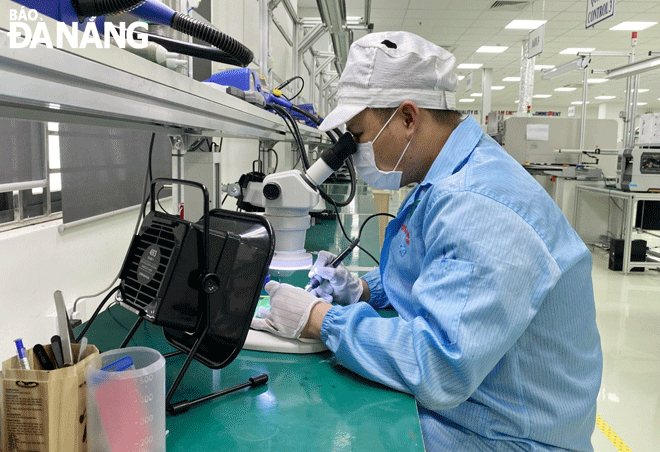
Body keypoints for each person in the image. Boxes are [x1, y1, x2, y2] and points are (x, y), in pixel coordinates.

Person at [251, 31, 603, 451]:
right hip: (476, 408)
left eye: (358, 134)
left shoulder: (477, 204)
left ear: (408, 118)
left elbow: (438, 367)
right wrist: (363, 289)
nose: (355, 150)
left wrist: (320, 320)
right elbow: (434, 268)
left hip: (506, 436)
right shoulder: (444, 177)